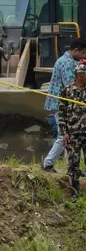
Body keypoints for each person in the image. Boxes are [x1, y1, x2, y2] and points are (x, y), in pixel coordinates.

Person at [43, 39, 86, 171]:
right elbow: (71, 83)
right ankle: (47, 164)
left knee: (72, 136)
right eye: (83, 53)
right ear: (76, 50)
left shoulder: (72, 61)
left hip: (69, 104)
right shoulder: (65, 63)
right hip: (60, 104)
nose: (84, 55)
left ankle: (73, 168)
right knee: (63, 135)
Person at [59, 61, 86, 196]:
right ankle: (75, 191)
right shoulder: (67, 90)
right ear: (80, 75)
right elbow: (61, 112)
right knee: (73, 164)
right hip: (73, 133)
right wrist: (64, 133)